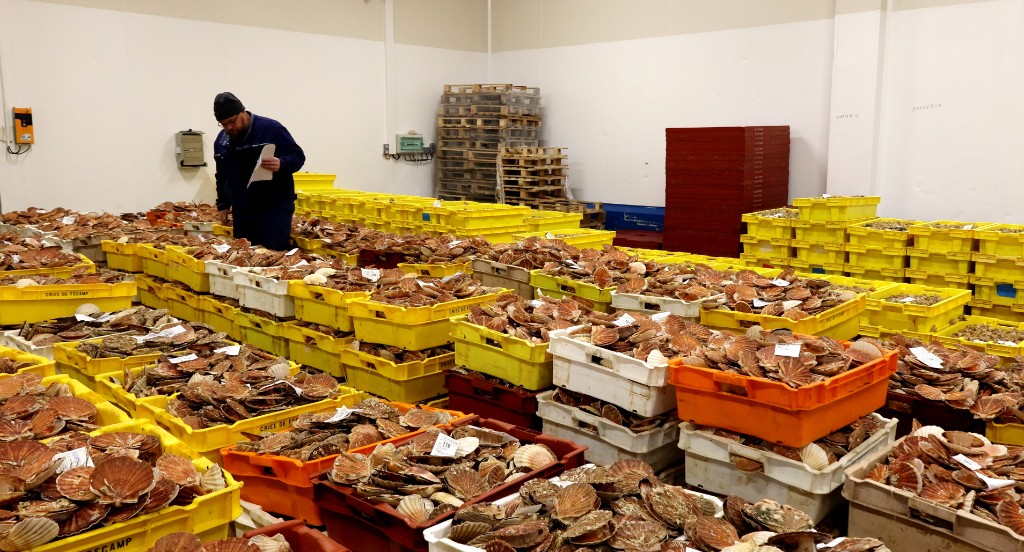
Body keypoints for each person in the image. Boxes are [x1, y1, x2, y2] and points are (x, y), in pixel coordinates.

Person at [213, 92, 305, 251]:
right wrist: (223, 204)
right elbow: (222, 174)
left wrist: (281, 164)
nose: (229, 127)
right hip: (243, 209)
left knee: (273, 254)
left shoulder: (270, 129)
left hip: (274, 207)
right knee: (246, 255)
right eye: (223, 124)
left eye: (232, 122)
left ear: (242, 112)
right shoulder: (222, 141)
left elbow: (298, 156)